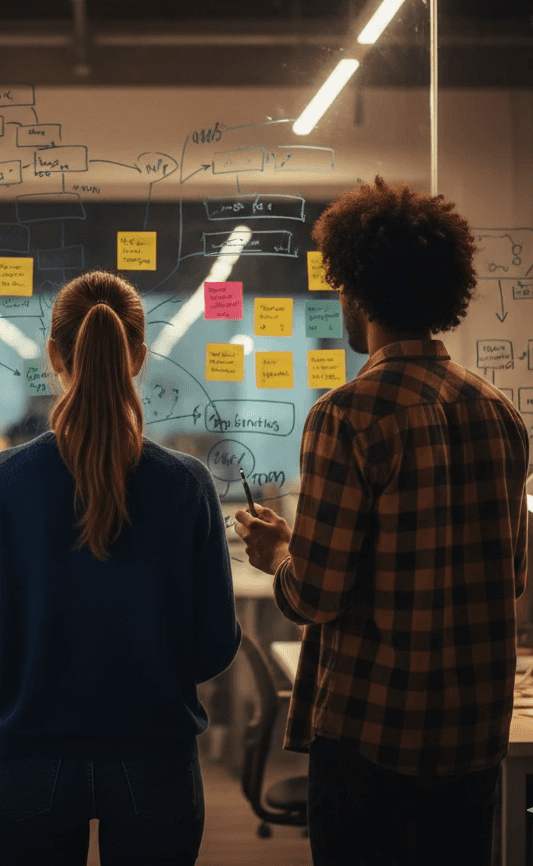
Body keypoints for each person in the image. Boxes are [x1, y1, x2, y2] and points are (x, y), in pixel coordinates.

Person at [234, 178, 530, 866]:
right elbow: (511, 577)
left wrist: (279, 553)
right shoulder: (500, 414)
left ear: (358, 291)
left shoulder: (348, 414)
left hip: (374, 736)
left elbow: (315, 594)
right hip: (474, 737)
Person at [0, 269, 241, 866]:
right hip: (156, 757)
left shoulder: (3, 482)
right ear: (138, 357)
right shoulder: (187, 486)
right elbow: (214, 649)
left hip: (31, 757)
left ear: (54, 355)